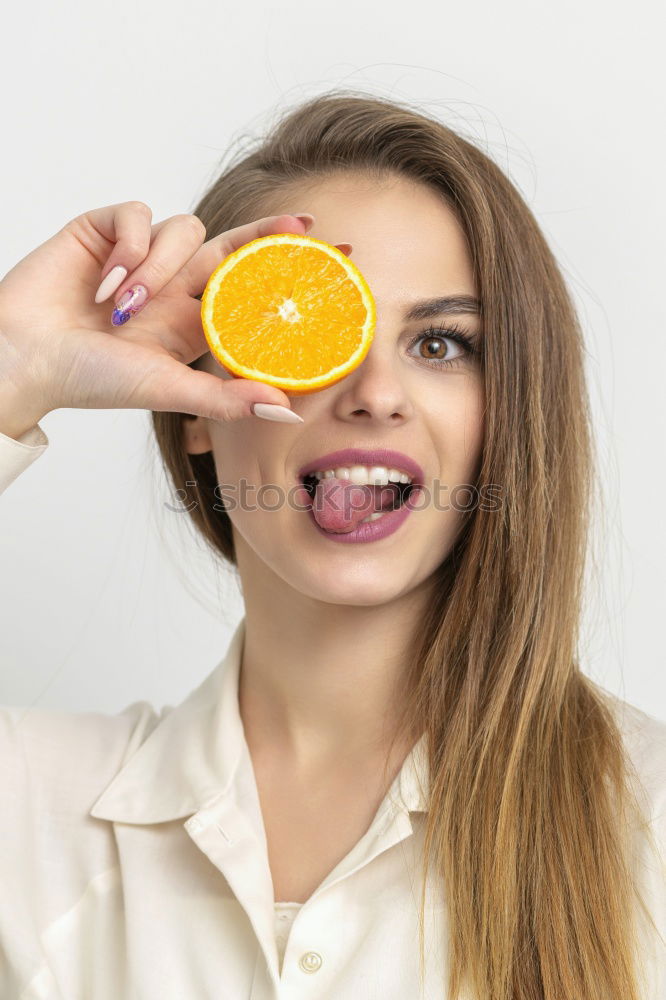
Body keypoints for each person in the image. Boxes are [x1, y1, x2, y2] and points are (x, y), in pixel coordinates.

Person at [0, 90, 663, 1000]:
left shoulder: (649, 818)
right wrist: (9, 367)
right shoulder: (29, 811)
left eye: (440, 343)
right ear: (195, 405)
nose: (376, 392)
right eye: (300, 324)